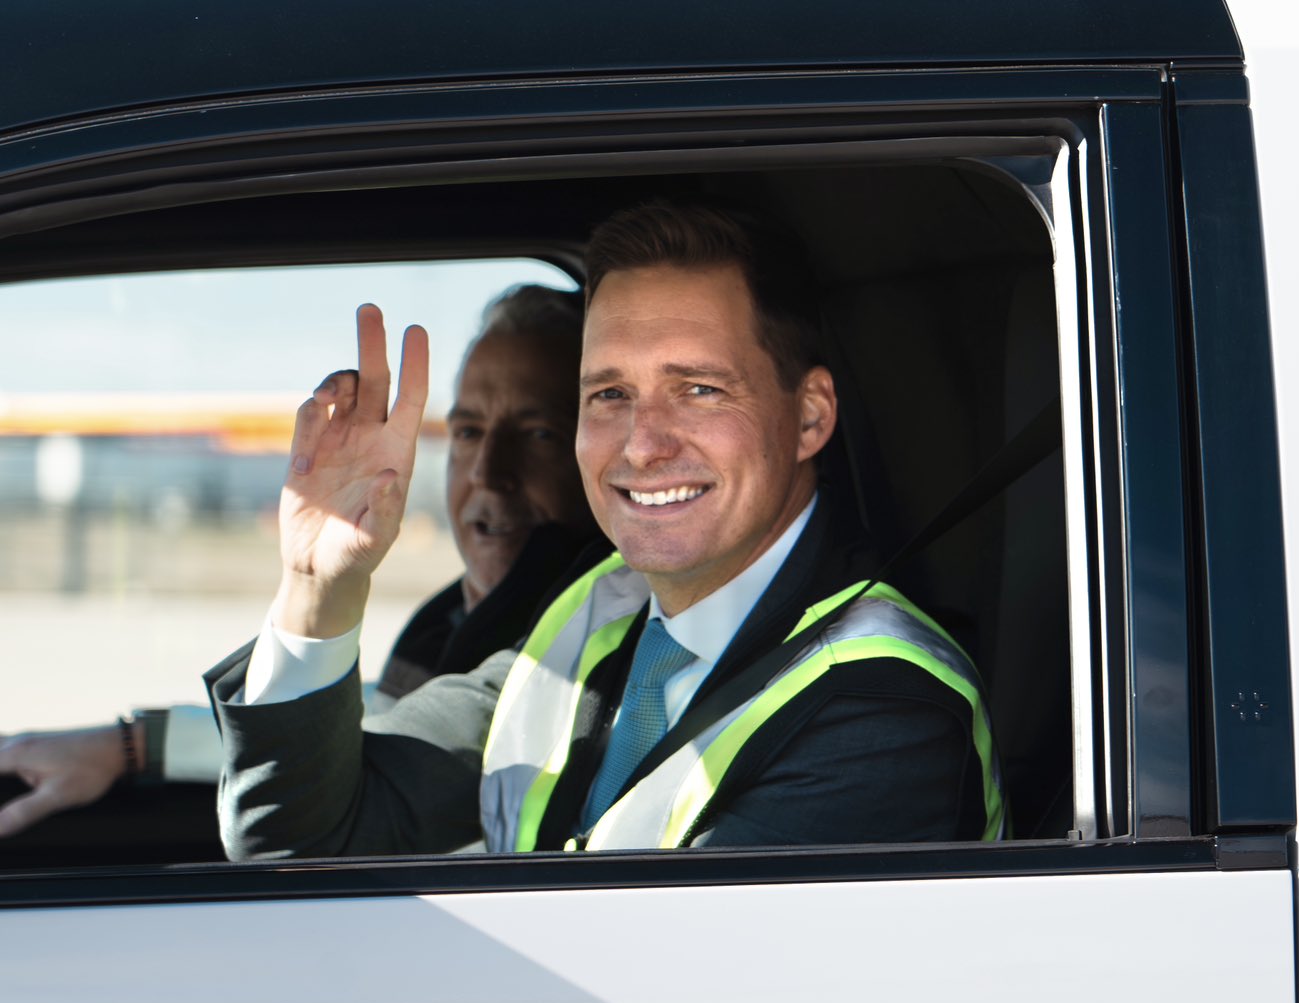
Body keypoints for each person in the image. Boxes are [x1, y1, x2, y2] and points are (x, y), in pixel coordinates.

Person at [207, 200, 1003, 858]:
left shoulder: (880, 708)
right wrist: (319, 589)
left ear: (810, 417)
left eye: (698, 389)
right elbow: (296, 843)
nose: (642, 445)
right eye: (610, 395)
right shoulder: (595, 614)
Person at [0, 284, 599, 842]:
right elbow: (384, 712)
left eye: (540, 434)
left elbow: (342, 782)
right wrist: (137, 744)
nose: (488, 473)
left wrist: (140, 746)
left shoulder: (576, 648)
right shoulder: (448, 621)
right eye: (467, 432)